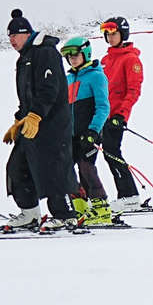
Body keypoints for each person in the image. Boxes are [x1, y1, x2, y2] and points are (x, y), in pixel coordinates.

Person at [0, 9, 78, 231]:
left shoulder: (45, 53)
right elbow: (27, 96)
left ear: (26, 33)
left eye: (15, 35)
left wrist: (35, 115)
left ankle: (64, 215)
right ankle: (31, 214)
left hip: (51, 123)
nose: (11, 40)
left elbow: (48, 90)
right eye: (9, 36)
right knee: (17, 167)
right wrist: (19, 120)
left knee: (53, 168)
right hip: (31, 123)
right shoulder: (25, 58)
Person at [61, 34, 114, 224]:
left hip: (90, 133)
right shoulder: (67, 79)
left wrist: (93, 131)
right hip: (71, 135)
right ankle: (80, 209)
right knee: (67, 170)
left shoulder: (96, 76)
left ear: (86, 53)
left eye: (75, 55)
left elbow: (103, 107)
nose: (72, 59)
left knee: (86, 166)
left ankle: (101, 209)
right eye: (69, 56)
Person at [97, 16, 146, 213]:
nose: (110, 37)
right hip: (102, 116)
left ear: (123, 34)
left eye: (114, 33)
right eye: (107, 34)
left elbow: (133, 91)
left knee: (112, 152)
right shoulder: (106, 59)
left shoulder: (131, 59)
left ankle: (129, 196)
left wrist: (122, 115)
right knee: (108, 154)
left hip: (116, 116)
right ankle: (125, 196)